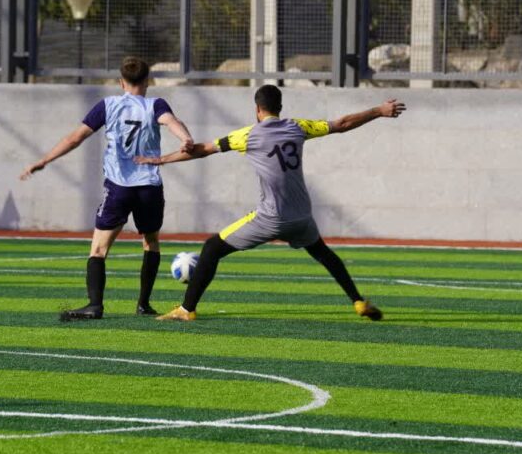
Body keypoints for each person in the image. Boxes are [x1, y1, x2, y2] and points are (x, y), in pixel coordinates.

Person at [136, 84, 406, 322]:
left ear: (257, 109)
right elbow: (342, 124)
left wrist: (162, 159)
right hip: (302, 217)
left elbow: (202, 150)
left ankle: (187, 309)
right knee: (324, 254)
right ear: (280, 107)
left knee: (212, 248)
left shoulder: (248, 135)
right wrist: (378, 110)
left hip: (270, 218)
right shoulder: (298, 127)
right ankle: (358, 302)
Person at [20, 57, 195, 321]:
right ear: (148, 81)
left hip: (119, 187)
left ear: (121, 82)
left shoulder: (108, 105)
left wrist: (44, 160)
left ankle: (95, 305)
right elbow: (171, 121)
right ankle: (143, 304)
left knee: (99, 249)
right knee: (151, 242)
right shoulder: (155, 105)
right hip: (149, 187)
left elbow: (74, 138)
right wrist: (185, 138)